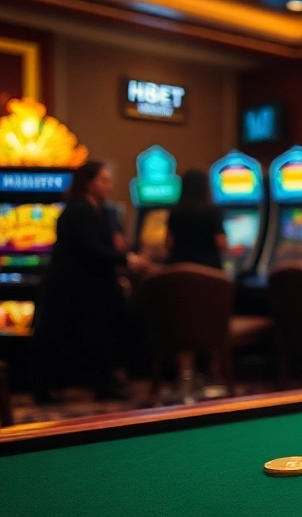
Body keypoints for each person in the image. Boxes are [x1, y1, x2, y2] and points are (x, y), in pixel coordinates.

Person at [31, 161, 154, 401]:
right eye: (104, 180)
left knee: (94, 335)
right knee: (77, 336)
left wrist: (124, 256)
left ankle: (102, 383)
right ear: (88, 182)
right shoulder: (79, 209)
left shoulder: (93, 208)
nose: (109, 186)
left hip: (86, 284)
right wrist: (127, 259)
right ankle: (88, 385)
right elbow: (91, 249)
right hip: (71, 286)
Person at [166, 169, 227, 271]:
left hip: (179, 268)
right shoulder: (213, 210)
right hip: (209, 269)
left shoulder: (176, 210)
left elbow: (168, 244)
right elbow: (221, 243)